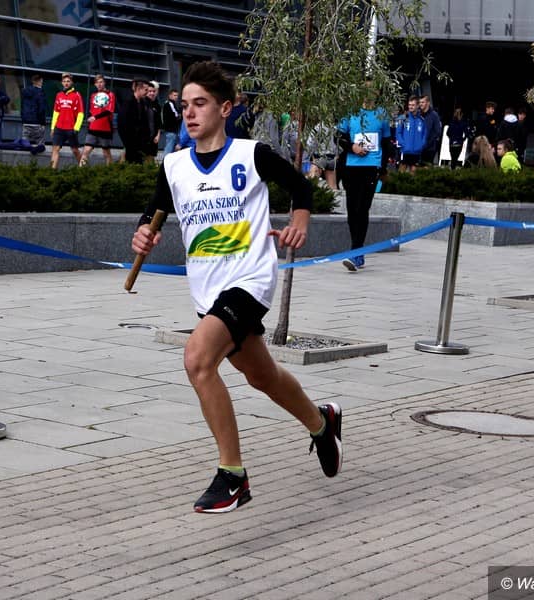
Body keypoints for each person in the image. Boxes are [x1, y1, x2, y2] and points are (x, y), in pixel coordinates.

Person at [130, 60, 342, 514]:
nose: (190, 113)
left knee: (197, 359)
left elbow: (302, 189)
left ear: (225, 109)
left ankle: (233, 475)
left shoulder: (252, 154)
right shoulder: (174, 166)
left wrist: (300, 222)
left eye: (201, 104)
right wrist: (143, 233)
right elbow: (152, 215)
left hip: (250, 281)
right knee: (262, 376)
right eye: (186, 105)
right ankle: (321, 423)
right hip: (207, 290)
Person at [337, 88, 391, 270]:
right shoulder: (350, 112)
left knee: (363, 208)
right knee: (352, 210)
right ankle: (356, 249)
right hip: (351, 167)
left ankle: (356, 253)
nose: (368, 93)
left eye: (372, 90)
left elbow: (386, 143)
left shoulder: (382, 114)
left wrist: (383, 169)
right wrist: (353, 147)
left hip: (371, 167)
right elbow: (338, 137)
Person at [79, 74, 116, 166]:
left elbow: (109, 111)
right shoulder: (93, 95)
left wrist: (95, 117)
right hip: (93, 128)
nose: (99, 84)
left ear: (104, 83)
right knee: (86, 151)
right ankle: (80, 172)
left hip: (105, 128)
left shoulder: (110, 95)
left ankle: (110, 171)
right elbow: (92, 111)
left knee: (106, 153)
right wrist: (90, 118)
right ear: (95, 84)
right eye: (97, 82)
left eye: (101, 82)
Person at [50, 73, 84, 169]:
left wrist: (76, 128)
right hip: (59, 128)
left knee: (75, 151)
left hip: (71, 129)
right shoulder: (59, 95)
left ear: (71, 82)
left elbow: (81, 113)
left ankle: (84, 169)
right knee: (55, 149)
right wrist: (52, 127)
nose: (66, 83)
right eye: (64, 81)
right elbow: (56, 112)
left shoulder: (77, 95)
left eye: (68, 81)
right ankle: (51, 172)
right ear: (62, 83)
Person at [117, 79, 150, 164]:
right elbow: (122, 123)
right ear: (138, 89)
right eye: (145, 90)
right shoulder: (128, 102)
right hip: (130, 141)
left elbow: (144, 122)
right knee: (131, 163)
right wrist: (127, 142)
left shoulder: (143, 103)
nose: (147, 92)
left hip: (140, 142)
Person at [395, 96, 425, 172]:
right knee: (401, 172)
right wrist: (403, 144)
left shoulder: (421, 120)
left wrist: (421, 145)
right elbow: (398, 133)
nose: (410, 107)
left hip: (416, 151)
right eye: (409, 105)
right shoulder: (402, 118)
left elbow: (424, 134)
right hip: (405, 150)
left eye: (413, 105)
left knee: (414, 172)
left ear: (417, 106)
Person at [20, 74, 47, 148]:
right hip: (37, 122)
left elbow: (22, 106)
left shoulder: (25, 91)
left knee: (25, 144)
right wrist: (43, 123)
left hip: (26, 122)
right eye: (41, 81)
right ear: (40, 81)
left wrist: (23, 119)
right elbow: (41, 109)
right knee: (40, 145)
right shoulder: (40, 92)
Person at [418, 94, 442, 166]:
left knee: (427, 167)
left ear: (428, 103)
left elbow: (438, 132)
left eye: (423, 102)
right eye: (420, 102)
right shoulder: (418, 115)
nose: (420, 104)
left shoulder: (434, 115)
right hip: (419, 147)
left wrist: (428, 143)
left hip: (430, 148)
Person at [161, 88, 182, 157]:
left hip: (171, 130)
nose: (176, 97)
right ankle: (164, 162)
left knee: (171, 149)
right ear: (170, 95)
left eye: (177, 95)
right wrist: (179, 116)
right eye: (174, 95)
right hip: (171, 130)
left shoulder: (169, 103)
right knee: (169, 149)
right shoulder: (170, 104)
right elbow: (176, 115)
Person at [143, 81, 161, 162]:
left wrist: (158, 135)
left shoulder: (157, 105)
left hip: (153, 137)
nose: (152, 93)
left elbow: (159, 122)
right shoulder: (143, 103)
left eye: (154, 91)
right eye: (150, 91)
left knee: (151, 157)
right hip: (144, 137)